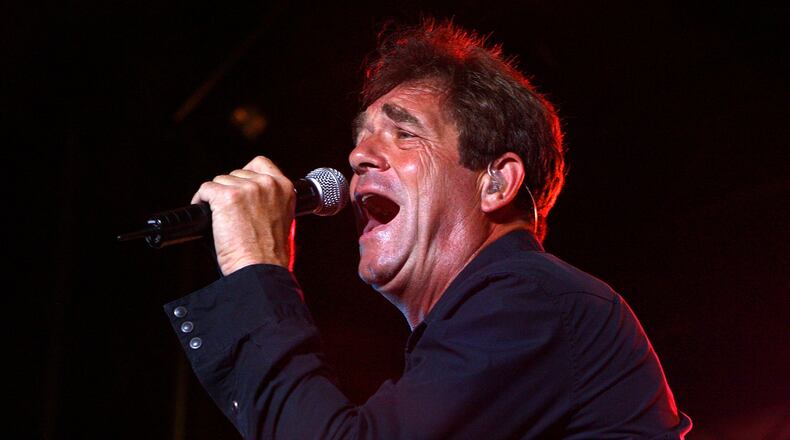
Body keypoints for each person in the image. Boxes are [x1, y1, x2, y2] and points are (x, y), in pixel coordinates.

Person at [164, 20, 692, 439]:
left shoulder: (534, 298)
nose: (357, 156)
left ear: (495, 182)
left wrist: (256, 268)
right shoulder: (497, 324)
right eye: (361, 137)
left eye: (403, 133)